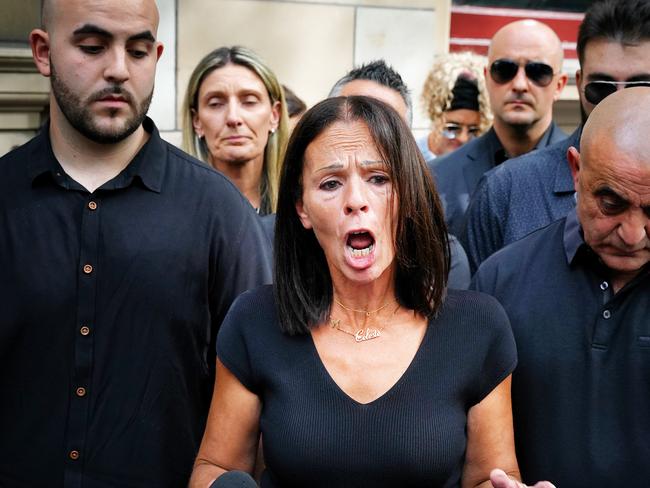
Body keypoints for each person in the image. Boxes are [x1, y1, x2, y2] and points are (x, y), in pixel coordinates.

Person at [188, 96, 555, 488]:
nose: (356, 201)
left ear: (409, 193)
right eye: (330, 184)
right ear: (302, 209)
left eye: (378, 179)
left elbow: (491, 476)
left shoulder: (478, 326)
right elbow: (213, 467)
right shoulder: (256, 320)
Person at [0, 1, 271, 486]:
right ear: (43, 52)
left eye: (139, 50)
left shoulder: (220, 214)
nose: (119, 70)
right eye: (92, 47)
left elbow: (261, 399)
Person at [472, 87, 650, 486]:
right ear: (576, 171)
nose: (633, 233)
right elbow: (472, 457)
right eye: (611, 202)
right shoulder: (502, 282)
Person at [464, 0, 650, 270]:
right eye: (601, 87)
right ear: (580, 82)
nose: (619, 100)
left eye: (641, 86)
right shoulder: (506, 190)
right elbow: (473, 308)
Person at [330, 59, 471, 289]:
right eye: (353, 118)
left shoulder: (438, 255)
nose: (367, 137)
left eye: (387, 126)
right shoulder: (276, 241)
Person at [432, 19, 568, 237]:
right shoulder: (438, 178)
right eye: (504, 70)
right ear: (486, 77)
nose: (520, 84)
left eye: (538, 72)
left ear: (559, 84)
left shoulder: (586, 172)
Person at [182, 46, 290, 215]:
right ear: (197, 121)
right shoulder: (173, 207)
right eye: (216, 104)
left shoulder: (301, 206)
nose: (233, 118)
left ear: (274, 115)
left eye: (249, 101)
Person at [419, 51, 492, 165]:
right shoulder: (409, 159)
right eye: (452, 128)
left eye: (473, 130)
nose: (463, 138)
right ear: (435, 115)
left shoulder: (484, 164)